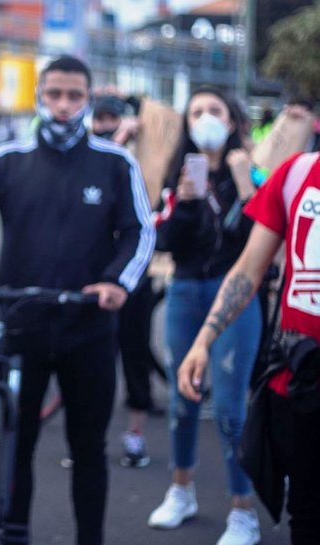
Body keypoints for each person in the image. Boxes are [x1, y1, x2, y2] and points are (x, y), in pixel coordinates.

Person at [0, 55, 155, 545]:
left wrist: (116, 283)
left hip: (89, 327)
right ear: (40, 96)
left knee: (88, 447)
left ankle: (91, 538)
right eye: (54, 95)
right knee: (15, 444)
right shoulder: (7, 159)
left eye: (74, 96)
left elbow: (139, 233)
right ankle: (13, 532)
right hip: (20, 322)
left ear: (86, 99)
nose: (63, 105)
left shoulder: (115, 162)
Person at [177, 151, 320, 545]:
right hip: (303, 382)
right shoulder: (298, 173)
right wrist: (204, 340)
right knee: (307, 515)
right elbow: (247, 269)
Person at [148, 86, 262, 545]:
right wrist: (188, 201)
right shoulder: (180, 176)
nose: (205, 119)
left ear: (232, 121)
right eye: (196, 112)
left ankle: (243, 510)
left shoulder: (249, 172)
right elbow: (166, 242)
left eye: (214, 110)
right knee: (183, 399)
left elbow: (264, 237)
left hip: (235, 295)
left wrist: (246, 184)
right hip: (187, 290)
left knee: (232, 407)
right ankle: (181, 490)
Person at [91, 93, 159, 469]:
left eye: (111, 119)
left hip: (134, 278)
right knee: (95, 363)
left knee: (135, 356)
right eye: (99, 119)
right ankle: (91, 436)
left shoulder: (149, 155)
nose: (105, 126)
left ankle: (136, 435)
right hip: (95, 276)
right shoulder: (93, 158)